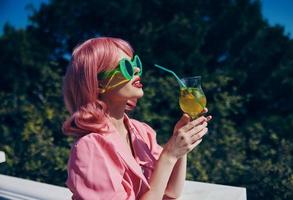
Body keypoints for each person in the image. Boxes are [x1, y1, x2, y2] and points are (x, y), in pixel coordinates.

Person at [62, 37, 212, 200]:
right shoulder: (89, 148)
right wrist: (169, 154)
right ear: (99, 84)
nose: (136, 71)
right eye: (126, 67)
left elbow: (170, 192)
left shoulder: (142, 132)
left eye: (135, 64)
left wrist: (181, 147)